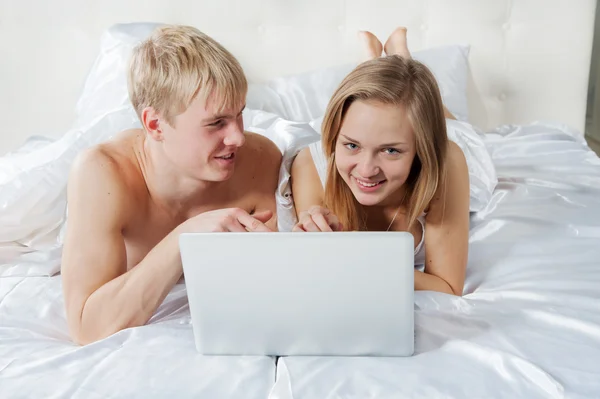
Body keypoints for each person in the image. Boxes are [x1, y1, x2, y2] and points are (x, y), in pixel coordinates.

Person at [61, 25, 282, 345]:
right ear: (155, 124)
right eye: (217, 123)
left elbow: (271, 284)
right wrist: (185, 237)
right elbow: (88, 328)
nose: (237, 137)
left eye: (239, 115)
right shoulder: (103, 174)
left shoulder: (259, 160)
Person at [290, 27, 470, 295]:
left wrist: (361, 256)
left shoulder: (446, 163)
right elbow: (321, 267)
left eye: (391, 151)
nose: (366, 170)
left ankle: (400, 57)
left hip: (441, 142)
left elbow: (447, 287)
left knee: (456, 127)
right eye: (351, 145)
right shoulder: (310, 165)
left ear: (421, 149)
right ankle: (377, 63)